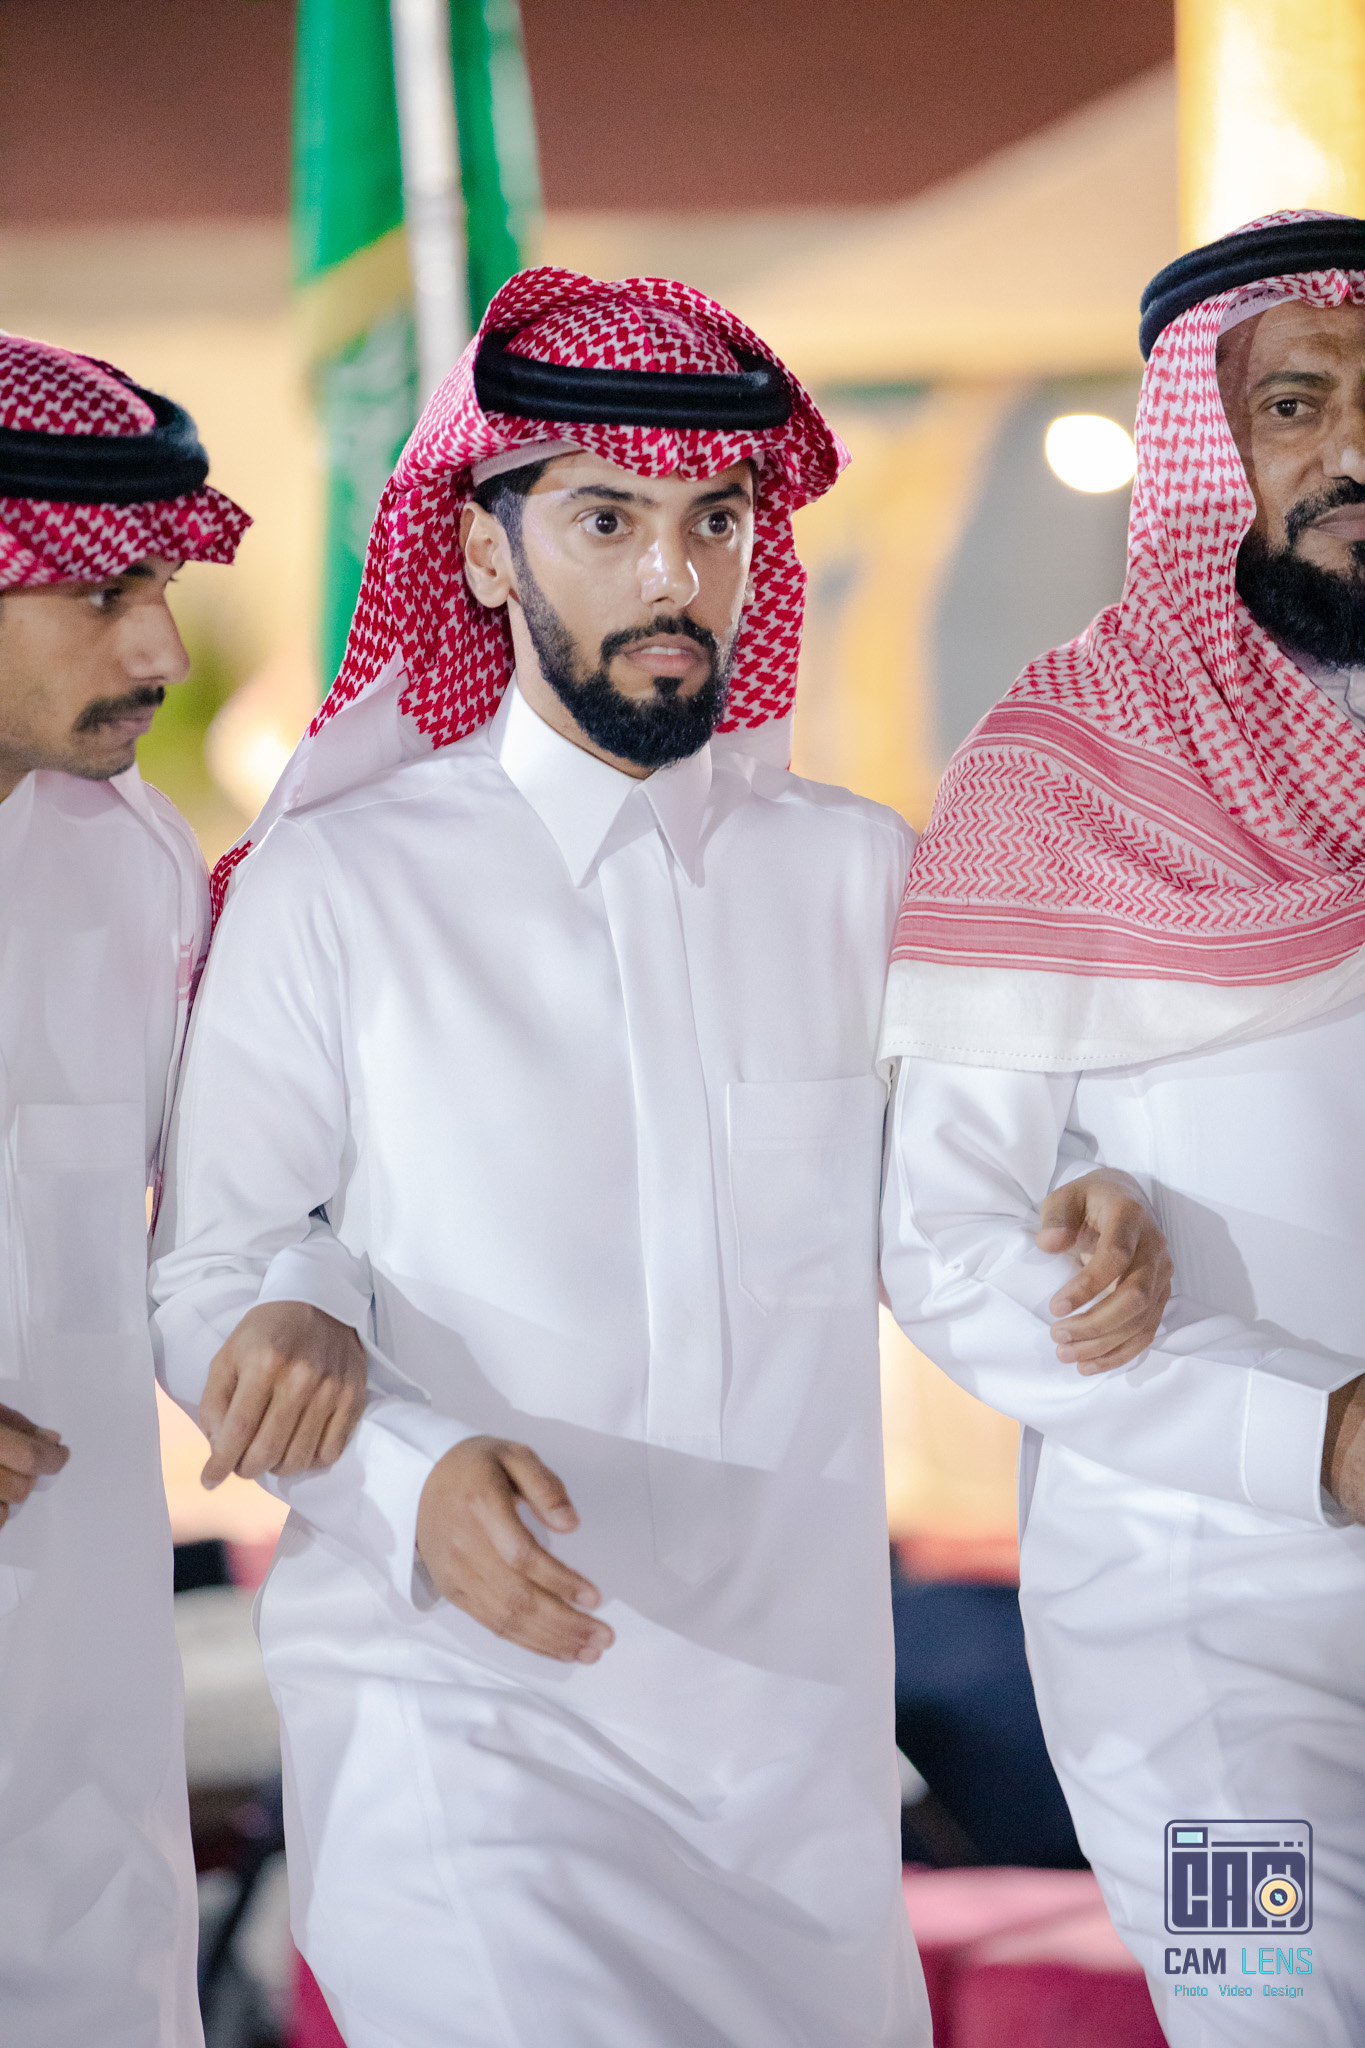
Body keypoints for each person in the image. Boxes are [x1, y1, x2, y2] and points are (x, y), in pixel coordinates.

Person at [150, 267, 1167, 2048]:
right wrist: (405, 1478)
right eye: (606, 520)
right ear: (484, 555)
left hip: (793, 1772)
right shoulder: (340, 883)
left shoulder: (854, 874)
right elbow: (211, 1274)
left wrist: (1083, 1221)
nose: (671, 576)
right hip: (465, 1725)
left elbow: (953, 1227)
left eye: (713, 522)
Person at [880, 210, 1365, 2045]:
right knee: (1272, 2022)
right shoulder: (1060, 767)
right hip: (1204, 1645)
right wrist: (1317, 1435)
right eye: (1293, 404)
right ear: (1203, 445)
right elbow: (944, 1237)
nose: (1349, 453)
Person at [0, 335, 366, 2046]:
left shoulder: (132, 861)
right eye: (101, 594)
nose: (158, 649)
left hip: (73, 1707)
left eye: (159, 587)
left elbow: (222, 1226)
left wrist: (306, 1302)